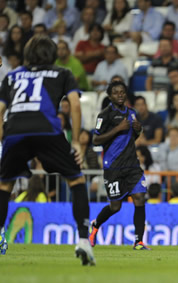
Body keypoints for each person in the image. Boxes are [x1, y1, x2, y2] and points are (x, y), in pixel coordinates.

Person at [0, 35, 94, 265]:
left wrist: (3, 139)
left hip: (14, 131)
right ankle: (83, 240)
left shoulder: (12, 75)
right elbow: (74, 103)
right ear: (53, 55)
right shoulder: (62, 73)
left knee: (4, 185)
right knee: (76, 181)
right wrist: (76, 142)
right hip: (47, 130)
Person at [89, 80, 150, 251]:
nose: (120, 95)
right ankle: (95, 225)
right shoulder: (105, 115)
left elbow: (132, 138)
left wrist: (138, 130)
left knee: (139, 198)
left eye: (122, 92)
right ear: (109, 95)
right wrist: (118, 129)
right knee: (115, 206)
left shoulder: (132, 113)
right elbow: (96, 139)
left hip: (132, 165)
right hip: (113, 166)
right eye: (116, 92)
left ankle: (138, 241)